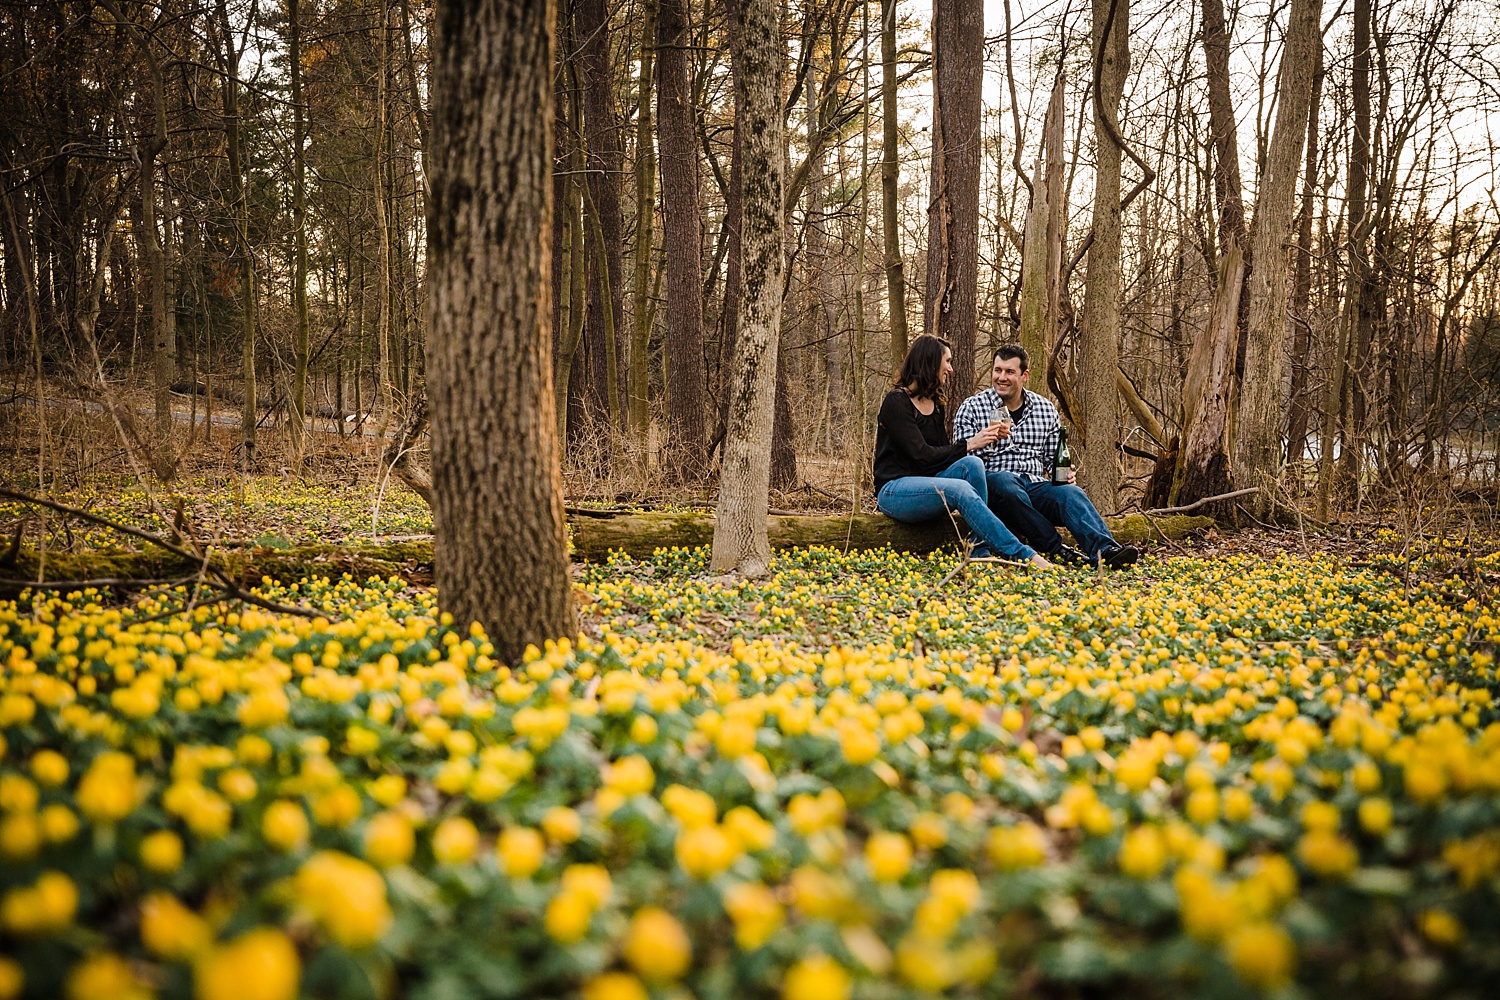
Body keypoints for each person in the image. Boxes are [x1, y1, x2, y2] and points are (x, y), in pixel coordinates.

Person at [952, 344, 1139, 569]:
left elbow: (1054, 459)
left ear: (1025, 376)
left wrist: (1065, 473)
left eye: (1010, 372)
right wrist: (986, 439)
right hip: (994, 485)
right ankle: (1054, 547)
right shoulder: (972, 407)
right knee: (1005, 484)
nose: (1001, 377)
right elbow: (961, 462)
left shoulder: (1044, 408)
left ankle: (1106, 550)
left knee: (1071, 493)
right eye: (997, 370)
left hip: (1034, 485)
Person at [874, 336, 1052, 568]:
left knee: (973, 464)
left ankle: (979, 548)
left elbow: (941, 455)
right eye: (946, 361)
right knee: (959, 486)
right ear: (930, 362)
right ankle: (1022, 553)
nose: (950, 368)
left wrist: (983, 442)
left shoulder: (935, 403)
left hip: (928, 484)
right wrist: (969, 443)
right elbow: (921, 454)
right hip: (894, 490)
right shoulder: (896, 402)